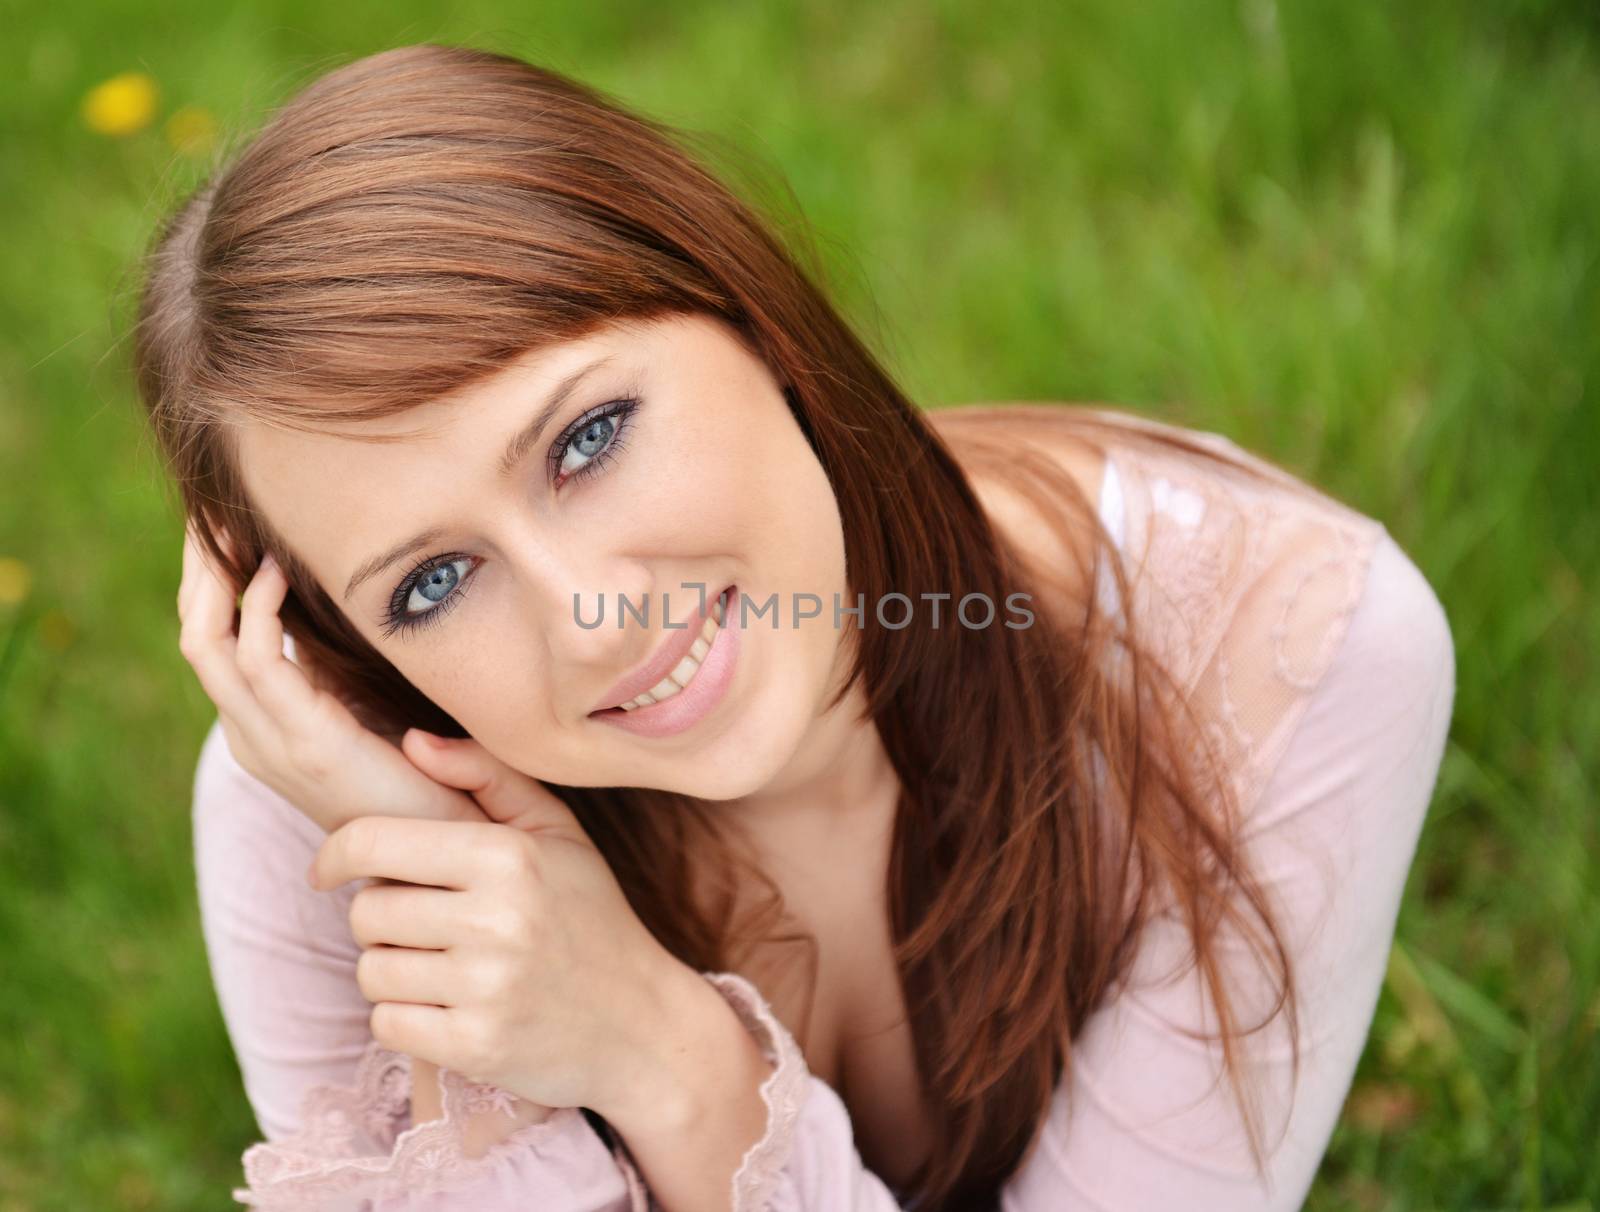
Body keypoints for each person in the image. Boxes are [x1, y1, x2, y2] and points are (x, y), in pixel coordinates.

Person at [136, 42, 1456, 1212]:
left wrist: (666, 1056)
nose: (592, 622)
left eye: (587, 439)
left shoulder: (1289, 657)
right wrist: (450, 912)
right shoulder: (329, 805)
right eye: (430, 583)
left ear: (741, 305)